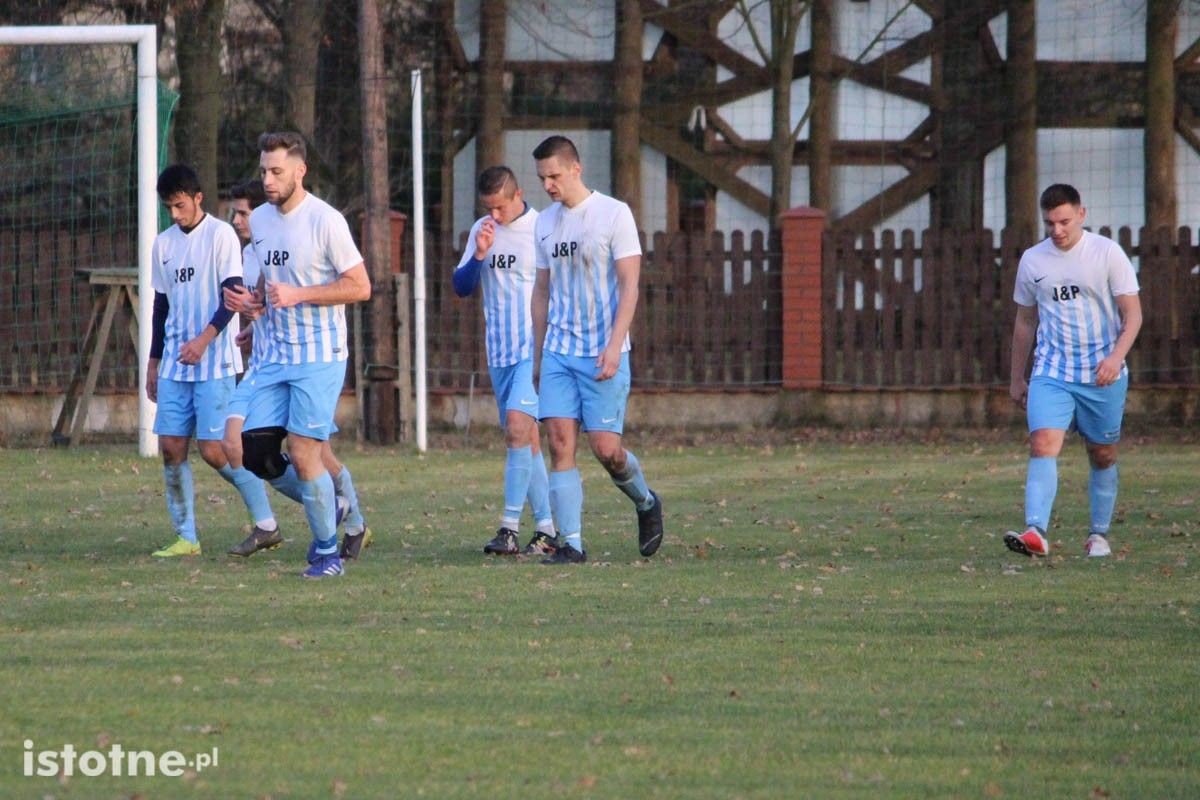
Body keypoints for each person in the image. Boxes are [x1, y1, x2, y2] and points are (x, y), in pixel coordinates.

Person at [223, 132, 371, 579]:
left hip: (319, 355)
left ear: (300, 171)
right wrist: (255, 308)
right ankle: (334, 501)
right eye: (264, 171)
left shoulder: (326, 221)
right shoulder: (262, 222)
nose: (267, 180)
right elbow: (272, 285)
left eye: (276, 172)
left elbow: (360, 286)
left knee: (305, 450)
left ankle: (327, 554)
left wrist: (301, 294)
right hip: (274, 358)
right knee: (253, 452)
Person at [529, 135, 664, 564]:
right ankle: (571, 543)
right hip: (558, 353)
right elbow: (541, 291)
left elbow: (629, 286)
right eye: (542, 178)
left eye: (554, 175)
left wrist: (613, 346)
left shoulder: (613, 214)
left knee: (607, 451)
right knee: (559, 442)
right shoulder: (544, 223)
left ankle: (646, 502)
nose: (548, 185)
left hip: (603, 353)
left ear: (575, 169)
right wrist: (537, 354)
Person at [1004, 183, 1142, 559]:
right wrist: (1018, 377)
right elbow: (1024, 322)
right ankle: (1035, 531)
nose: (1057, 230)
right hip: (1052, 371)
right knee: (1042, 444)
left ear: (1081, 214)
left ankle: (1098, 534)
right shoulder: (1033, 261)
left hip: (1102, 373)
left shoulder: (1107, 253)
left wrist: (1115, 358)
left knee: (1102, 454)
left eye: (1064, 221)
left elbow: (1133, 315)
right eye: (1050, 223)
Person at [147, 164, 276, 557]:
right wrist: (153, 362)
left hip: (214, 361)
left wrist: (204, 341)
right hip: (173, 363)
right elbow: (160, 306)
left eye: (180, 205)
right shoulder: (163, 244)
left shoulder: (221, 236)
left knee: (215, 450)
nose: (175, 214)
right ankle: (186, 537)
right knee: (170, 446)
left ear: (198, 198)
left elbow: (232, 296)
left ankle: (266, 523)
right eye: (169, 207)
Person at [452, 166, 557, 556]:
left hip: (533, 350)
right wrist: (479, 254)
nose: (494, 215)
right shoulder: (484, 229)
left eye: (499, 207)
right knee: (525, 441)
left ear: (518, 195)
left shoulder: (541, 228)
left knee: (517, 429)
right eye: (487, 208)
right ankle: (546, 529)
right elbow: (461, 287)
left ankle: (508, 528)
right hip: (499, 351)